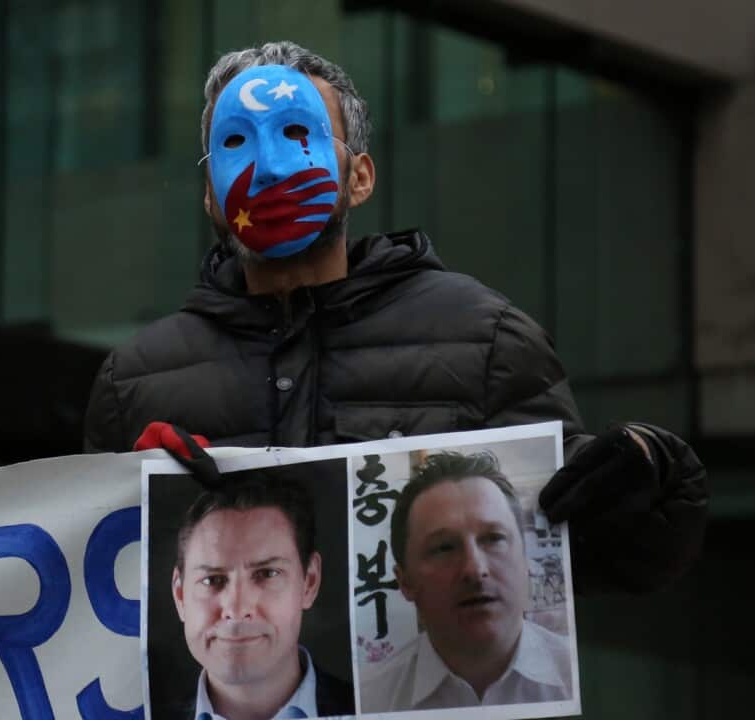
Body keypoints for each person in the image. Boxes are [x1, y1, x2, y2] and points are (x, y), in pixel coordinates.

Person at [84, 40, 707, 594]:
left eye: (299, 135)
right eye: (236, 142)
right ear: (211, 196)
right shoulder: (136, 384)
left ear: (360, 176)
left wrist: (652, 476)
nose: (270, 168)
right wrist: (142, 504)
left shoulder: (484, 343)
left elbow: (597, 557)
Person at [359, 452, 572, 712]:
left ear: (525, 559)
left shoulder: (576, 673)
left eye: (493, 538)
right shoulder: (369, 700)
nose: (475, 569)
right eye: (444, 548)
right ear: (405, 582)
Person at [171, 475, 354, 718]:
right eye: (212, 580)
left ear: (309, 582)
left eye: (267, 574)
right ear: (180, 595)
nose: (236, 610)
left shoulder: (381, 707)